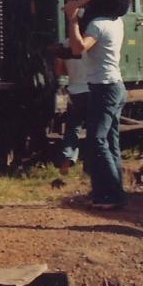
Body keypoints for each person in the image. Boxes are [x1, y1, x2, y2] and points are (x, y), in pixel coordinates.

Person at [67, 6, 126, 209]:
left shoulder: (97, 25)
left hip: (104, 88)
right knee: (111, 141)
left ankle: (113, 195)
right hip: (115, 85)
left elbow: (79, 49)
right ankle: (108, 191)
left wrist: (73, 20)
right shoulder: (116, 21)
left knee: (97, 140)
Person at [54, 30, 91, 176]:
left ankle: (67, 158)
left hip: (74, 91)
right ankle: (89, 166)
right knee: (94, 130)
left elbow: (59, 70)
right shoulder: (92, 42)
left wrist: (72, 72)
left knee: (72, 129)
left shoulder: (65, 44)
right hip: (92, 90)